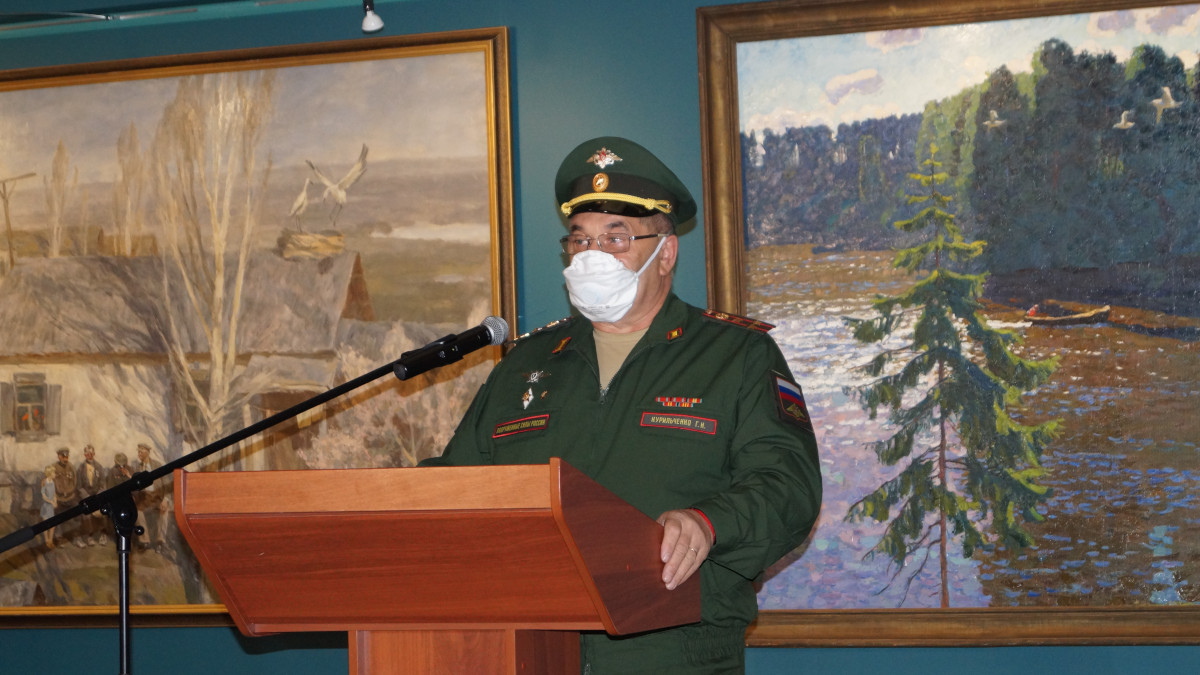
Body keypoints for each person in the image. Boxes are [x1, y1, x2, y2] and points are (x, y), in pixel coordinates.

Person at [422, 136, 821, 673]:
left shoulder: (736, 355)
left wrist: (709, 523)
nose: (593, 256)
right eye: (580, 240)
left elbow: (789, 486)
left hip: (673, 653)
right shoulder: (526, 362)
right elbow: (455, 487)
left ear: (666, 252)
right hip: (532, 650)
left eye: (615, 238)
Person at [75, 444, 108, 546]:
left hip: (98, 496)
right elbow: (79, 486)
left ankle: (103, 534)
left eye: (91, 453)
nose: (89, 455)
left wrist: (97, 496)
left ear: (94, 453)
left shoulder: (99, 467)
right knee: (86, 514)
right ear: (84, 454)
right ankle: (89, 536)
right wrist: (88, 497)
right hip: (86, 497)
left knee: (103, 511)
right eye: (87, 453)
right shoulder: (80, 468)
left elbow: (103, 485)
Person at [51, 447, 77, 546]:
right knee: (57, 516)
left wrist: (69, 492)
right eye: (63, 457)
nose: (65, 459)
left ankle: (75, 537)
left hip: (70, 497)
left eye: (67, 457)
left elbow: (74, 481)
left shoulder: (71, 467)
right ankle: (59, 537)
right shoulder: (54, 467)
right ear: (59, 456)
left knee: (76, 513)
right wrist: (58, 495)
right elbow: (52, 483)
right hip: (59, 498)